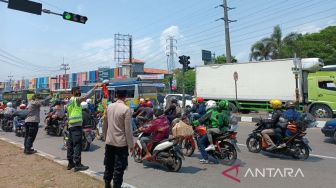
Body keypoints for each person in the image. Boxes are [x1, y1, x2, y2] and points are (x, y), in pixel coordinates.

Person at [103, 90, 133, 188]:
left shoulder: (109, 107)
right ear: (125, 97)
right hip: (121, 144)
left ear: (116, 96)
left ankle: (107, 184)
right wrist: (131, 145)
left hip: (109, 142)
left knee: (109, 165)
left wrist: (104, 137)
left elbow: (105, 124)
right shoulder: (126, 109)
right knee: (119, 168)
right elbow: (128, 130)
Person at [66, 84, 100, 172]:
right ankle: (78, 164)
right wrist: (94, 88)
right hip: (76, 125)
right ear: (73, 92)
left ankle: (70, 163)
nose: (79, 91)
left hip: (71, 125)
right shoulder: (76, 100)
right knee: (77, 145)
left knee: (70, 145)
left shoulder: (69, 101)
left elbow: (68, 114)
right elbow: (86, 96)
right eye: (77, 90)